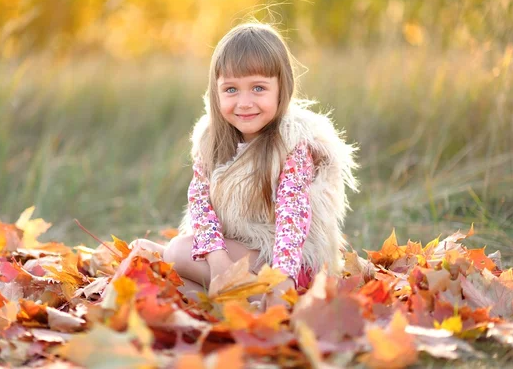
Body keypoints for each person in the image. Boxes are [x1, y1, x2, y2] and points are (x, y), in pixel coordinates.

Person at [130, 22, 359, 309]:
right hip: (237, 253)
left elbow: (293, 216)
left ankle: (278, 299)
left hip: (285, 262)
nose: (245, 102)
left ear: (282, 88)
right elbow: (201, 203)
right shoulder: (211, 141)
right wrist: (217, 260)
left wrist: (282, 277)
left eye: (259, 88)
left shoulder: (292, 143)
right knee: (182, 289)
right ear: (216, 92)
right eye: (231, 90)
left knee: (177, 252)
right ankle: (241, 302)